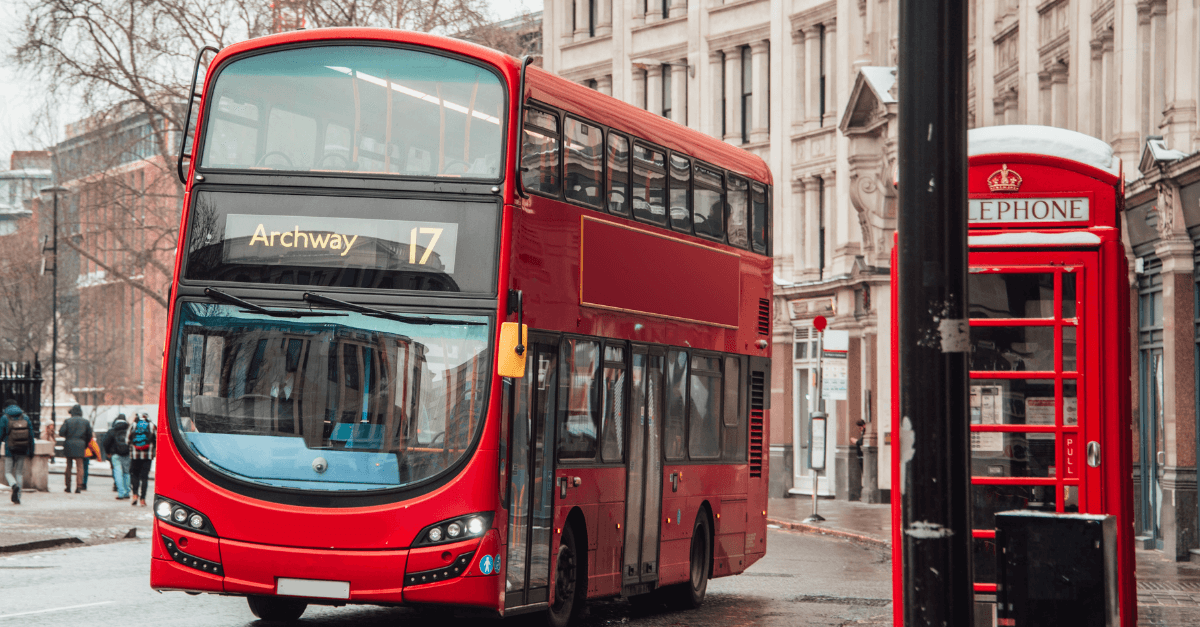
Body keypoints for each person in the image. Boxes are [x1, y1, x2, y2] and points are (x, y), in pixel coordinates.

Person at [0, 400, 37, 505]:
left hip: (9, 449)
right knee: (19, 472)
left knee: (8, 472)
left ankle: (13, 485)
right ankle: (18, 497)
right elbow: (31, 436)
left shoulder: (5, 417)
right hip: (23, 448)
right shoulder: (25, 417)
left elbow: (0, 435)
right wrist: (31, 451)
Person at [59, 404, 92, 494]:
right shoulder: (85, 422)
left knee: (68, 466)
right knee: (80, 467)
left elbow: (61, 432)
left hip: (69, 444)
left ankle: (68, 486)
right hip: (80, 445)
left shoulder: (67, 421)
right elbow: (90, 435)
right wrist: (84, 443)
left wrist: (68, 436)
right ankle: (78, 486)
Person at [126, 412, 156, 506]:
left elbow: (127, 440)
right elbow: (158, 440)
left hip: (135, 456)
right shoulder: (152, 426)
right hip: (147, 456)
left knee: (134, 475)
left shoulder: (133, 425)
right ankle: (143, 499)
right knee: (144, 477)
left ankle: (135, 494)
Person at [103, 414, 131, 499]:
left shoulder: (112, 430)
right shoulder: (128, 430)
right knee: (126, 473)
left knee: (118, 473)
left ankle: (121, 493)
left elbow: (105, 442)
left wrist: (108, 452)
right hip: (127, 454)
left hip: (115, 454)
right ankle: (127, 492)